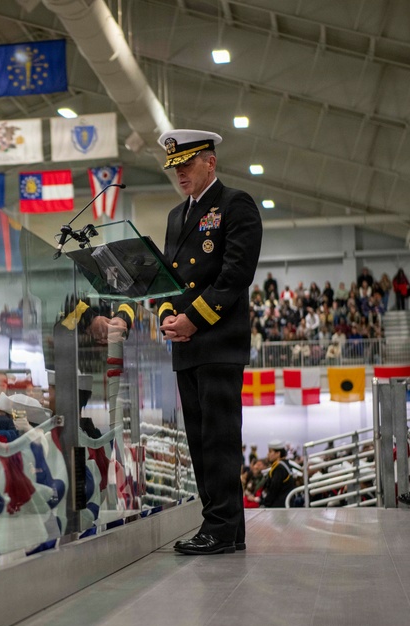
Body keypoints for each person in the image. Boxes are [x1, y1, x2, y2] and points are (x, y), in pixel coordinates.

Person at [156, 129, 263, 556]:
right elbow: (167, 278)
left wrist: (193, 320)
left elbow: (235, 275)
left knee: (219, 439)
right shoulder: (175, 216)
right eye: (174, 167)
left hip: (217, 339)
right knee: (200, 441)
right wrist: (167, 317)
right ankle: (224, 528)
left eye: (187, 163)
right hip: (186, 345)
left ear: (210, 162)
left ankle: (220, 527)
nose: (180, 172)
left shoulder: (235, 204)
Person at [261, 441, 297, 508]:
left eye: (270, 451)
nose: (267, 454)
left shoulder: (279, 468)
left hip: (280, 506)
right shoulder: (284, 464)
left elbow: (274, 489)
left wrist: (265, 503)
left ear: (278, 453)